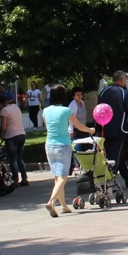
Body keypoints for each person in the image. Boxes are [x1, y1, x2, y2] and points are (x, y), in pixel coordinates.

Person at [42, 84, 94, 217]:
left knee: (57, 177)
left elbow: (47, 127)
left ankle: (64, 206)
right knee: (63, 177)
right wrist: (90, 130)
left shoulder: (46, 111)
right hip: (63, 145)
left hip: (49, 145)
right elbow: (79, 126)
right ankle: (51, 202)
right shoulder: (66, 111)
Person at [97, 71, 128, 187]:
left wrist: (97, 128)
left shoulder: (103, 92)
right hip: (120, 130)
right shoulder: (123, 92)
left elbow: (98, 110)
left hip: (104, 129)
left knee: (114, 154)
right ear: (122, 80)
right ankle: (109, 182)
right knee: (114, 157)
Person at [0, 95, 28, 187]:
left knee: (13, 159)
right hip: (21, 134)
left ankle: (15, 180)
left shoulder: (4, 111)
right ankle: (24, 178)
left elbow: (3, 127)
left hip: (11, 136)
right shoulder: (15, 106)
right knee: (19, 158)